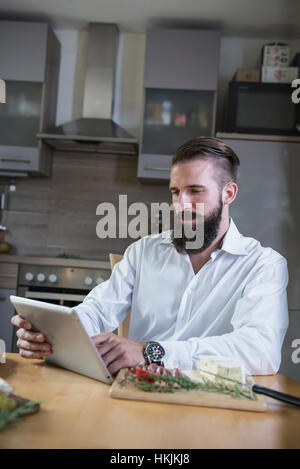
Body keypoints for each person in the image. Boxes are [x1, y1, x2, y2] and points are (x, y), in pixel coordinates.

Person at [11, 137, 289, 377]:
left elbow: (261, 350)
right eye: (176, 192)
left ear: (228, 194)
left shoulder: (263, 265)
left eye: (195, 191)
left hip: (214, 409)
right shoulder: (144, 251)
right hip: (135, 394)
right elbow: (97, 311)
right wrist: (53, 335)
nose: (181, 205)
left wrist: (151, 352)